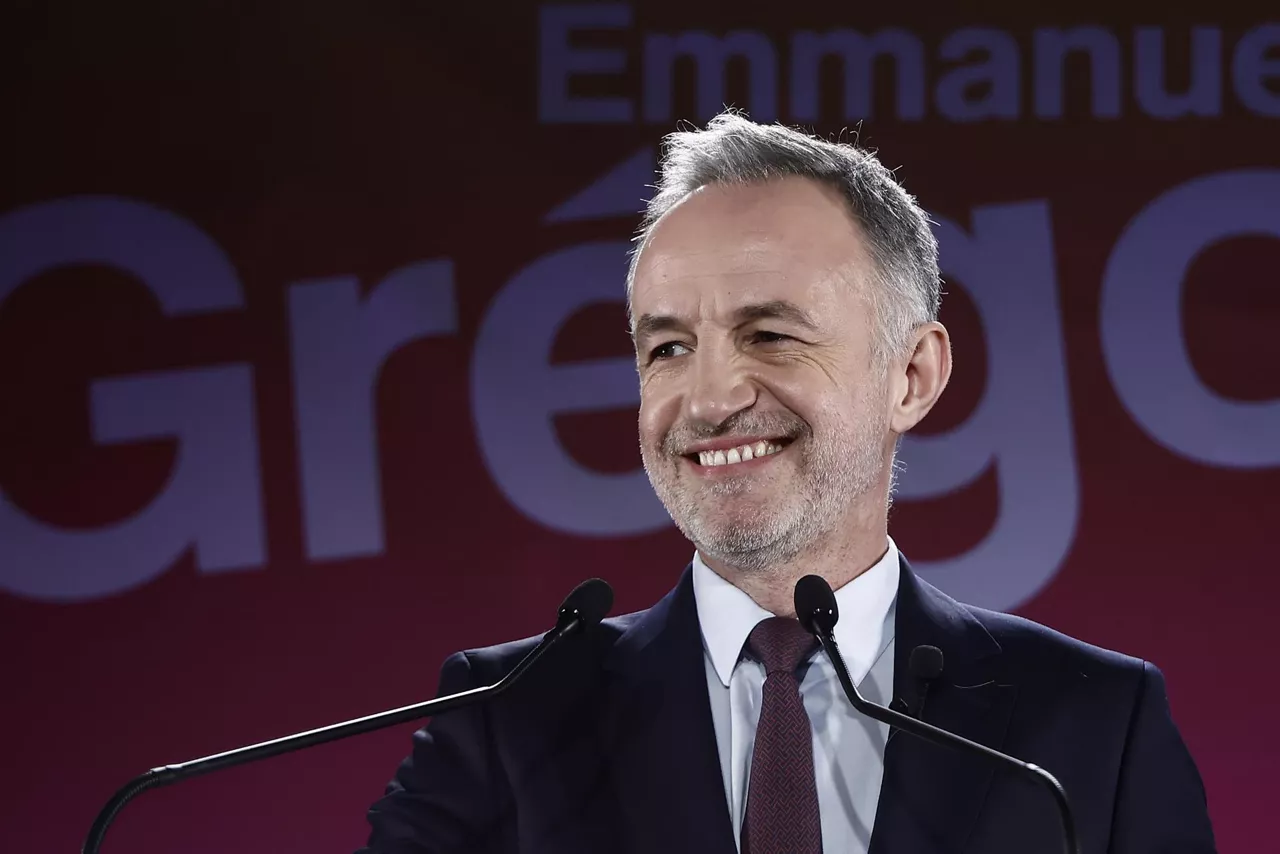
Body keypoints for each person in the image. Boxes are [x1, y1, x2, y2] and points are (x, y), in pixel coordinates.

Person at [358, 112, 1215, 854]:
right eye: (667, 349)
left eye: (770, 335)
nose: (711, 397)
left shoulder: (1094, 723)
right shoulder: (514, 714)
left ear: (911, 374)